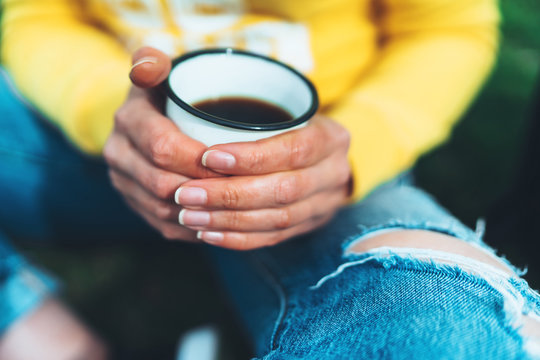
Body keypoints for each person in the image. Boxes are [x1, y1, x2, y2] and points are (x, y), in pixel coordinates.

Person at [1, 0, 539, 359]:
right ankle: (30, 325)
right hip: (97, 149)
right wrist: (104, 109)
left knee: (443, 319)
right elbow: (35, 12)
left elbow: (447, 28)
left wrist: (357, 149)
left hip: (319, 181)